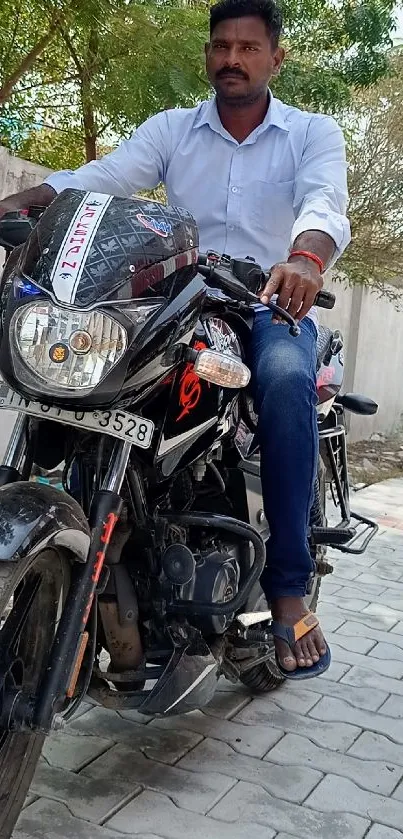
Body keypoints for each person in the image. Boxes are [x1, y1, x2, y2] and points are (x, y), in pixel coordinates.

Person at [0, 0, 350, 678]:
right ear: (208, 54)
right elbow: (99, 182)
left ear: (274, 59)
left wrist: (304, 259)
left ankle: (285, 590)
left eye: (248, 48)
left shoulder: (310, 133)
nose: (232, 59)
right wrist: (20, 205)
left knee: (282, 383)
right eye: (221, 46)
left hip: (268, 301)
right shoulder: (172, 129)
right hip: (178, 296)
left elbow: (322, 204)